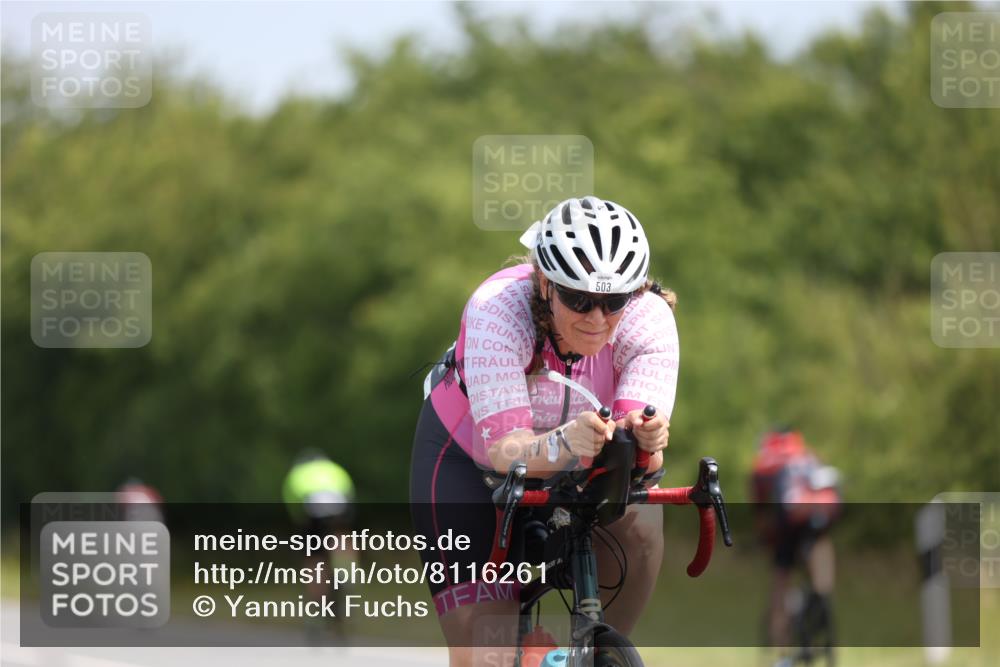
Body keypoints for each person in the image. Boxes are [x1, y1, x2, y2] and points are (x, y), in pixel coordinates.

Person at [410, 196, 678, 667]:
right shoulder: (497, 309)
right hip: (470, 459)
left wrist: (645, 439)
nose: (597, 318)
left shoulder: (648, 318)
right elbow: (504, 450)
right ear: (543, 283)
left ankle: (596, 651)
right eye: (578, 299)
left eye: (614, 301)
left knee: (641, 518)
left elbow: (643, 460)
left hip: (575, 457)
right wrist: (563, 442)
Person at [750, 428, 841, 655]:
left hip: (789, 519)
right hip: (826, 513)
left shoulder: (764, 464)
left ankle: (780, 647)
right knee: (820, 540)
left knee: (781, 579)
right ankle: (822, 594)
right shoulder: (809, 456)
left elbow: (762, 512)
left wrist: (766, 538)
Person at [282, 450, 357, 640]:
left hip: (312, 510)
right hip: (339, 505)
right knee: (341, 535)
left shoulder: (297, 474)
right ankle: (345, 570)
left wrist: (300, 524)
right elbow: (350, 496)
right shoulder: (335, 469)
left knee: (315, 560)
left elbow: (293, 506)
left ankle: (315, 611)